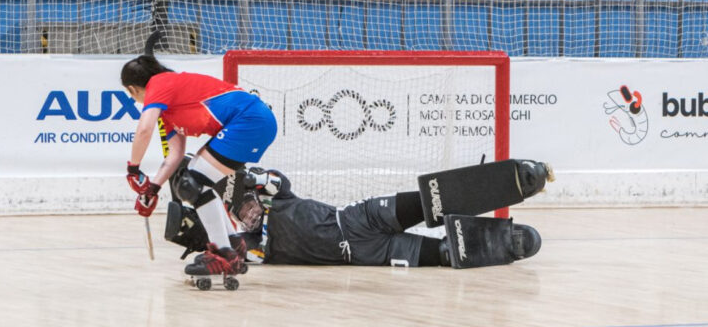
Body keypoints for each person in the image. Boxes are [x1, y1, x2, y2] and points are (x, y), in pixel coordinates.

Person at [167, 159, 552, 272]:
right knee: (445, 256)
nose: (248, 214)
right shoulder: (242, 243)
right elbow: (237, 257)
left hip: (358, 220)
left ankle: (519, 180)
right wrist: (202, 241)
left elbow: (272, 179)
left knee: (430, 202)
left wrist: (247, 177)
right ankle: (506, 243)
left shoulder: (270, 194)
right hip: (367, 256)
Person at [121, 54, 277, 276]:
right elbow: (175, 155)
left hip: (248, 121)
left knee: (192, 183)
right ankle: (232, 243)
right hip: (252, 122)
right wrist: (152, 189)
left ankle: (224, 255)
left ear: (133, 88)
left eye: (131, 94)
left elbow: (144, 129)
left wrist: (133, 170)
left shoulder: (159, 83)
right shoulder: (168, 109)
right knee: (193, 179)